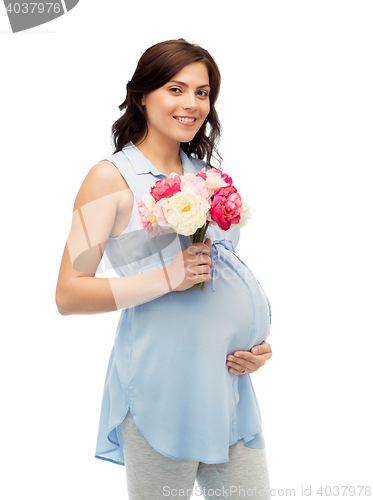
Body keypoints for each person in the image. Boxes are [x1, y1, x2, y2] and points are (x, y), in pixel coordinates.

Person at [55, 38, 273, 500]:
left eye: (203, 92)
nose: (192, 104)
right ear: (142, 95)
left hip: (228, 388)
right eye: (177, 89)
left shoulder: (206, 174)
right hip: (162, 390)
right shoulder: (109, 178)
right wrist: (165, 279)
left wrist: (252, 343)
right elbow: (69, 293)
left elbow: (222, 277)